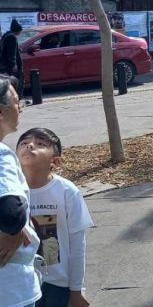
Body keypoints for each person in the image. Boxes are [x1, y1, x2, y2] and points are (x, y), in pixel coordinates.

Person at [16, 128, 94, 307]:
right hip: (20, 283)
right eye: (24, 142)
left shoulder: (67, 191)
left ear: (55, 161)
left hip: (57, 284)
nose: (30, 145)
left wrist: (77, 288)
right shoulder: (9, 190)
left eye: (40, 143)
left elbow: (77, 244)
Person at [0, 75, 42, 306]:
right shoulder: (2, 155)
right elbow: (11, 213)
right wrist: (17, 228)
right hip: (10, 285)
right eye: (17, 103)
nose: (21, 109)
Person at [0, 19, 24, 98]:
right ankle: (16, 101)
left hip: (3, 66)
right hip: (9, 67)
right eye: (20, 30)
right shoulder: (12, 38)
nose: (20, 33)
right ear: (17, 30)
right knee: (16, 84)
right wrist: (13, 65)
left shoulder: (6, 35)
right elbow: (11, 52)